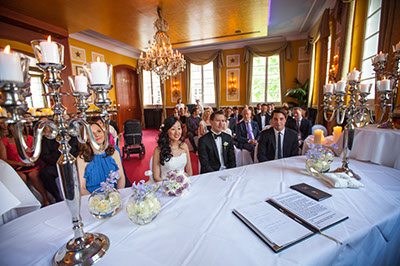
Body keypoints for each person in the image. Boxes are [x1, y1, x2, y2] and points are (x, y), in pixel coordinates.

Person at [0, 124, 50, 206]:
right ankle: (28, 202)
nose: (16, 128)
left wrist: (29, 162)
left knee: (33, 175)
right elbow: (3, 159)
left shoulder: (30, 138)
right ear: (9, 127)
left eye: (20, 126)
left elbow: (37, 153)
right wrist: (20, 163)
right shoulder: (4, 141)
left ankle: (46, 199)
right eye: (13, 126)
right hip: (16, 166)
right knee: (21, 177)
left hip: (31, 164)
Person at [77, 122, 125, 195]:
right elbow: (82, 188)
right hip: (92, 199)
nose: (97, 135)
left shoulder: (114, 153)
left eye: (99, 131)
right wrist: (96, 200)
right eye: (91, 133)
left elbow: (121, 177)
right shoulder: (81, 158)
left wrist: (118, 195)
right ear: (86, 139)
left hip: (113, 195)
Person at [39, 117, 79, 202]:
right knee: (45, 173)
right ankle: (57, 197)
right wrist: (59, 161)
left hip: (73, 162)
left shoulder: (71, 135)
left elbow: (77, 150)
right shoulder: (47, 138)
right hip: (56, 164)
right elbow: (45, 155)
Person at [152, 116, 192, 182]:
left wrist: (185, 184)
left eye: (179, 128)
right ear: (166, 131)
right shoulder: (159, 149)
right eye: (173, 129)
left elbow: (189, 171)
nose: (177, 132)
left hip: (183, 185)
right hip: (165, 185)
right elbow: (156, 177)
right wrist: (170, 186)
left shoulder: (184, 146)